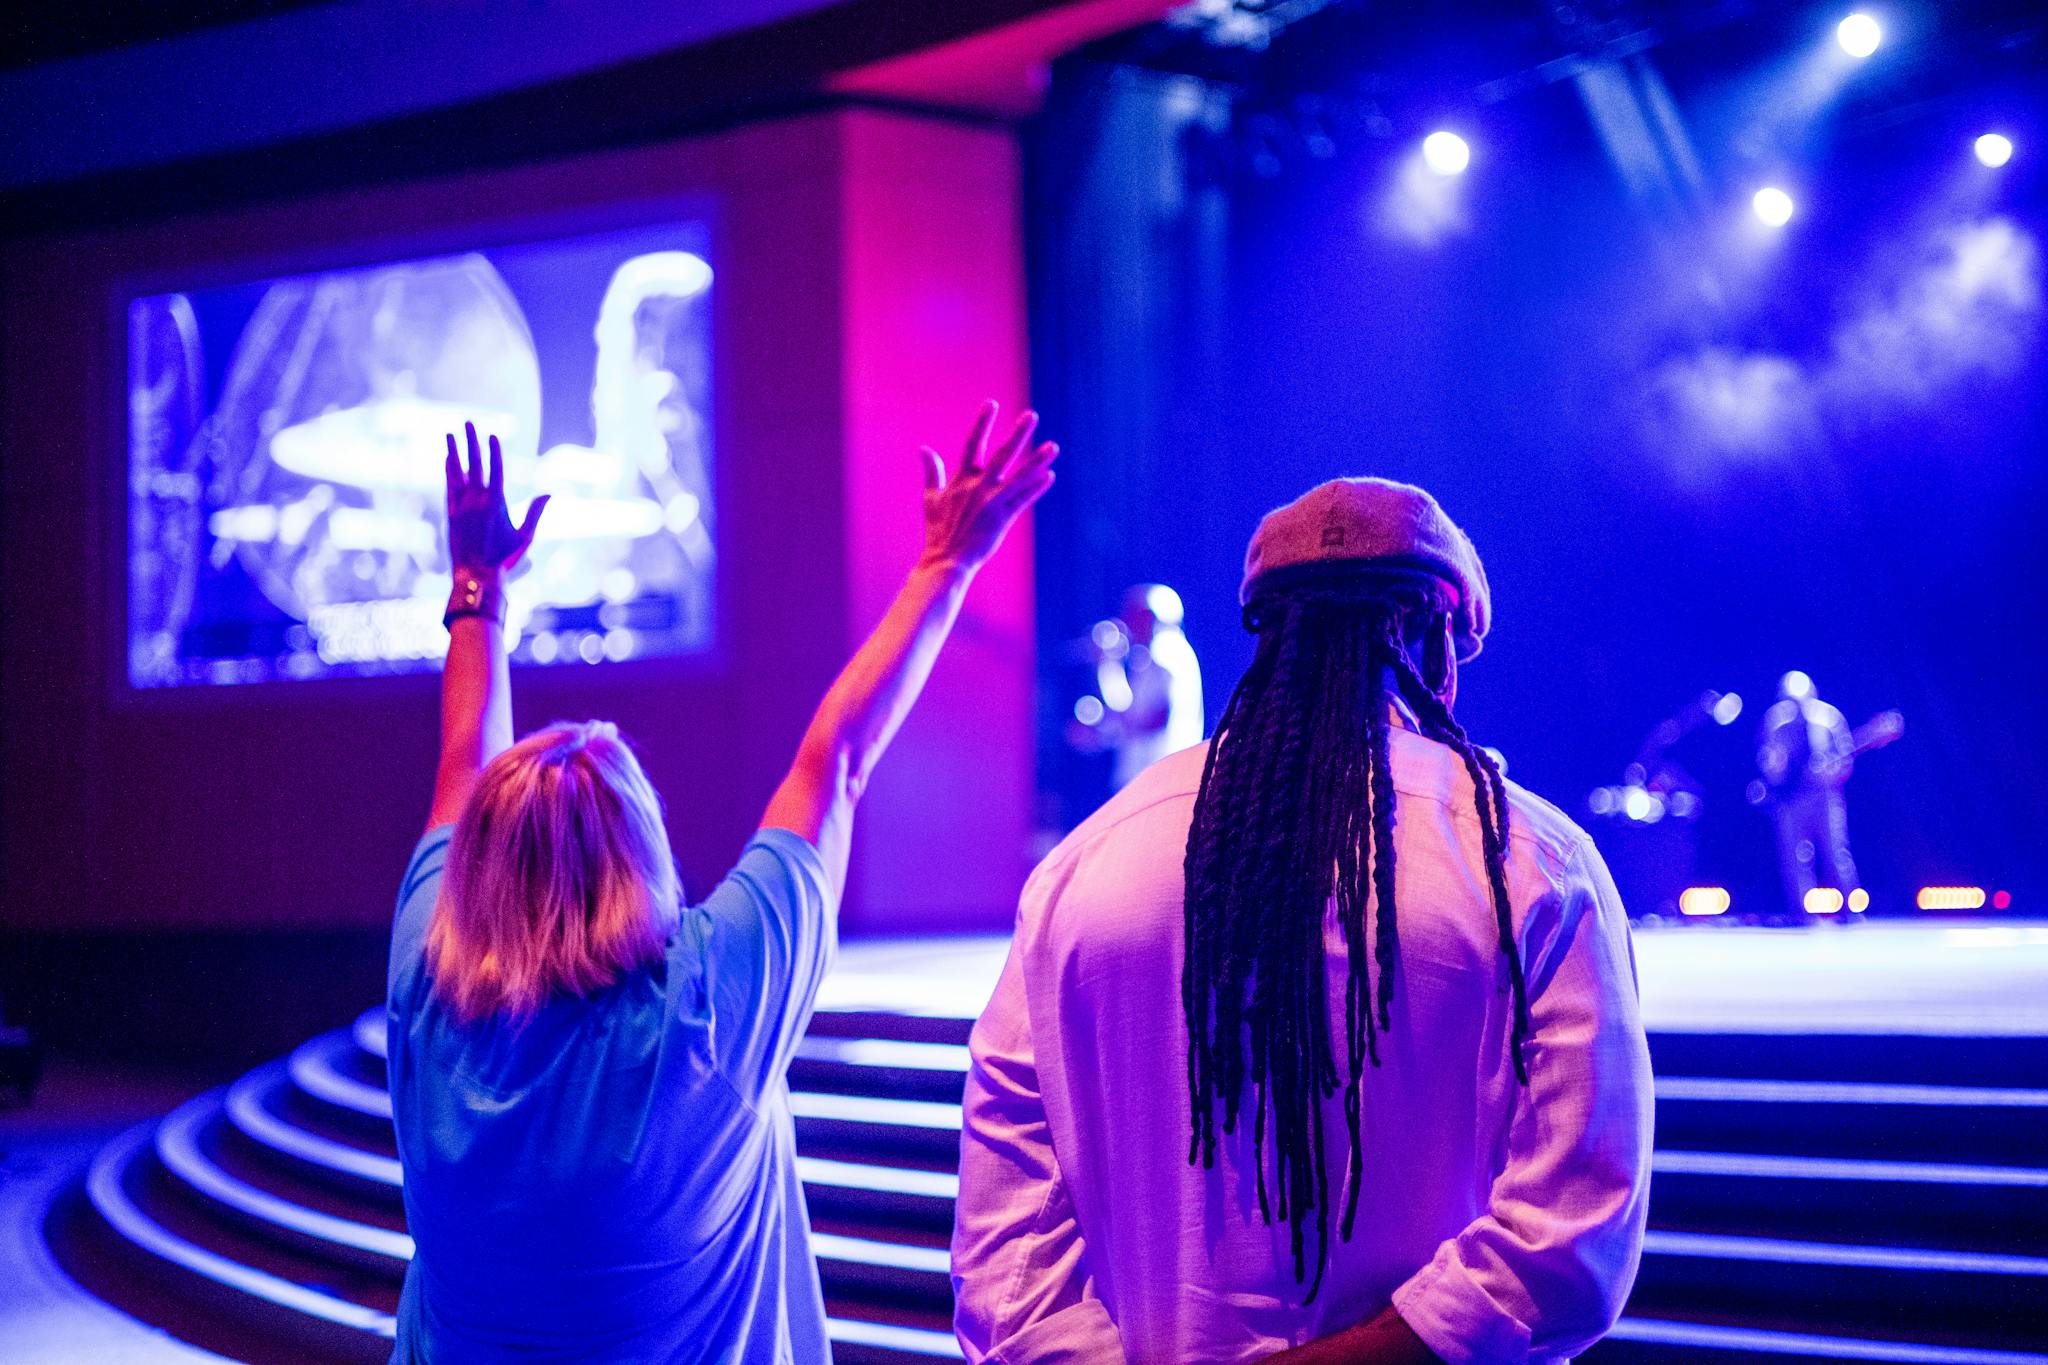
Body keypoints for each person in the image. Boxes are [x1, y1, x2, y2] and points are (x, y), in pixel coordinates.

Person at [385, 406, 1057, 1362]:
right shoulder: (705, 1008)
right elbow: (836, 762)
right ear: (639, 851)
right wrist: (946, 562)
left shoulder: (426, 988)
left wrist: (476, 591)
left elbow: (462, 760)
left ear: (475, 868)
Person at [953, 478, 1653, 1364]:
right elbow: (1566, 1246)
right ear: (1435, 632)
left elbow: (1007, 1267)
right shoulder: (1532, 863)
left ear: (1266, 632)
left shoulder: (1080, 868)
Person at [1069, 584, 1206, 790]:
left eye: (1134, 617)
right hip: (1145, 776)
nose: (1127, 624)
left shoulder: (1168, 653)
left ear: (1152, 617)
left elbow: (1155, 720)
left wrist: (1110, 729)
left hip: (1158, 777)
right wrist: (1107, 665)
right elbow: (1129, 711)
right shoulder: (1147, 657)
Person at [1756, 670, 1860, 916]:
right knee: (1794, 857)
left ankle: (1850, 910)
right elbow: (1767, 759)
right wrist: (1776, 771)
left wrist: (1829, 773)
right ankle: (1801, 913)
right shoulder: (1775, 721)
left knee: (1836, 853)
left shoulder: (1829, 718)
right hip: (1791, 800)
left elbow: (1846, 760)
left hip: (1824, 798)